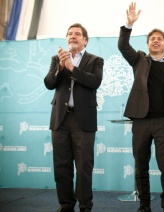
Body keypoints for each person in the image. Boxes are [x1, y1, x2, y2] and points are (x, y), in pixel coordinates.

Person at [118, 2, 164, 212]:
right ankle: (144, 205)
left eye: (160, 39)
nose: (156, 41)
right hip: (141, 121)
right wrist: (129, 24)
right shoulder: (139, 60)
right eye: (152, 39)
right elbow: (123, 46)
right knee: (141, 165)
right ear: (147, 44)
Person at [44, 23, 104, 212]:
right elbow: (49, 83)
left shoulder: (95, 60)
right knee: (61, 166)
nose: (73, 36)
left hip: (83, 121)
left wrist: (72, 68)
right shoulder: (57, 59)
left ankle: (85, 206)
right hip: (60, 120)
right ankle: (66, 205)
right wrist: (61, 67)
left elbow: (94, 81)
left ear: (85, 40)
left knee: (84, 167)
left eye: (77, 34)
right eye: (70, 33)